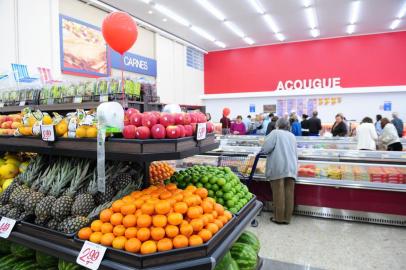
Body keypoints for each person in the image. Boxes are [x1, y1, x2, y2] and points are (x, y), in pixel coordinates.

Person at [261, 118, 297, 224]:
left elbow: (266, 148)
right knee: (289, 193)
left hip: (278, 165)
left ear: (278, 125)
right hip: (291, 166)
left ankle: (279, 218)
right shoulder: (292, 135)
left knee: (278, 192)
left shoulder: (275, 133)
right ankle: (287, 218)